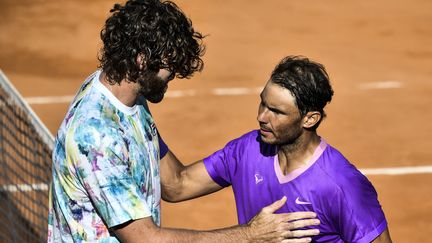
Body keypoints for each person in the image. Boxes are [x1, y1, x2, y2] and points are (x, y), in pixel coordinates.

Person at [47, 1, 321, 242]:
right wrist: (250, 235)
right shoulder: (95, 135)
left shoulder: (127, 97)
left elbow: (175, 183)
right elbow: (147, 240)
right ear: (143, 61)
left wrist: (244, 158)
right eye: (170, 66)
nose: (174, 75)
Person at [160, 56, 393, 242]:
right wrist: (139, 119)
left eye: (277, 112)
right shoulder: (247, 150)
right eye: (263, 102)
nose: (261, 116)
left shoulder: (341, 184)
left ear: (309, 119)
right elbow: (177, 185)